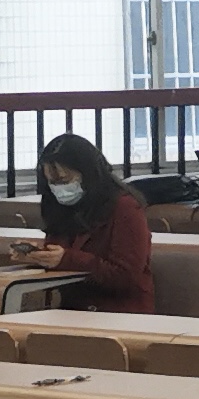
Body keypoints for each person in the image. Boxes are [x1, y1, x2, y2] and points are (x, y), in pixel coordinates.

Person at [23, 133, 157, 313]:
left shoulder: (124, 207)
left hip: (120, 311)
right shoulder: (58, 206)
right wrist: (38, 257)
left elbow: (126, 276)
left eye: (64, 181)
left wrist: (66, 259)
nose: (59, 189)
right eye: (52, 183)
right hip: (72, 310)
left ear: (88, 174)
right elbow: (59, 260)